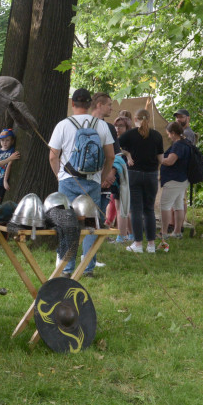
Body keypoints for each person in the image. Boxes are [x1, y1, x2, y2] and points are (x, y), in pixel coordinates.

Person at [48, 88, 115, 277]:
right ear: (90, 104)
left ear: (72, 103)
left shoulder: (63, 125)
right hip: (92, 181)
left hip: (68, 179)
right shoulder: (101, 125)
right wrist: (101, 177)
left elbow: (53, 156)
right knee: (90, 224)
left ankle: (66, 268)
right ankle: (87, 267)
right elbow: (110, 155)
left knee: (67, 223)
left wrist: (59, 175)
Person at [119, 108, 164, 253]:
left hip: (134, 175)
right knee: (149, 210)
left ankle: (138, 244)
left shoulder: (130, 134)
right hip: (151, 175)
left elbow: (116, 146)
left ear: (135, 119)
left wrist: (128, 154)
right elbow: (161, 159)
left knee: (136, 210)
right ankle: (151, 245)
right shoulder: (157, 135)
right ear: (149, 119)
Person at [158, 122, 192, 250]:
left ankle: (164, 232)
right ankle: (177, 232)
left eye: (168, 134)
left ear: (173, 133)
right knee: (178, 205)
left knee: (165, 205)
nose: (169, 137)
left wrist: (159, 158)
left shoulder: (178, 145)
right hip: (182, 179)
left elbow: (170, 161)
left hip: (174, 179)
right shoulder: (186, 143)